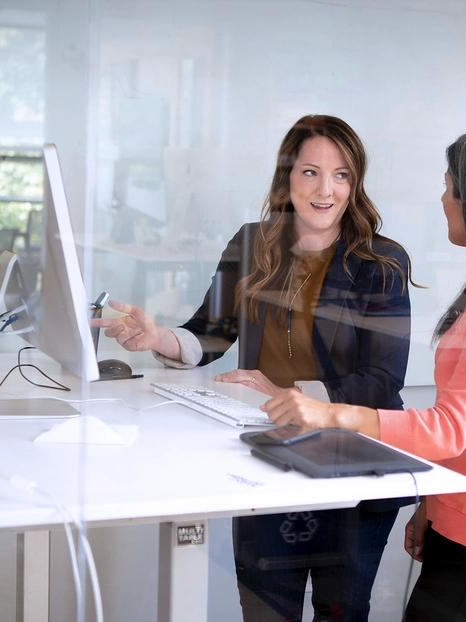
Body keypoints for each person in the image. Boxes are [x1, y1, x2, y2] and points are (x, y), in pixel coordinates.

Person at [95, 114, 414, 621]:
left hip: (352, 463)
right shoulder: (251, 243)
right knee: (266, 609)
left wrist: (294, 393)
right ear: (287, 178)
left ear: (356, 183)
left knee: (342, 611)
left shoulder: (381, 262)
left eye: (342, 175)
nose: (325, 189)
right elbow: (212, 332)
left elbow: (382, 382)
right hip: (268, 456)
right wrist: (160, 338)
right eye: (310, 172)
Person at [262, 127, 466, 621]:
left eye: (450, 185)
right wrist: (431, 502)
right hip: (462, 511)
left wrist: (330, 413)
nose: (443, 197)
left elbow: (451, 426)